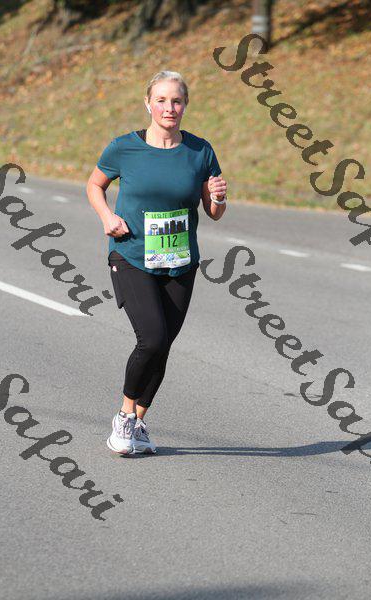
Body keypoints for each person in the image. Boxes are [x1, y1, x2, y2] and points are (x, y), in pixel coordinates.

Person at [86, 70, 227, 456]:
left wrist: (218, 196)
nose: (169, 108)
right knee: (152, 338)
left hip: (180, 261)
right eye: (161, 100)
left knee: (163, 344)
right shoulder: (124, 148)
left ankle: (138, 423)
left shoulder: (200, 151)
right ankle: (123, 416)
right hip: (131, 254)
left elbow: (214, 212)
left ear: (185, 105)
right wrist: (107, 217)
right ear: (148, 104)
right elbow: (95, 185)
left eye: (176, 101)